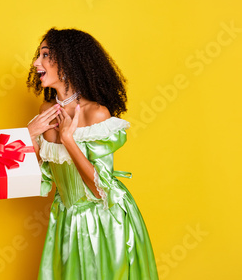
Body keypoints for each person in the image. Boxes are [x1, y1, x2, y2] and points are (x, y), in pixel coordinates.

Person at [27, 28, 158, 279]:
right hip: (65, 217)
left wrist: (68, 140)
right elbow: (41, 177)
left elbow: (101, 190)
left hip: (102, 220)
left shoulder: (96, 113)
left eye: (45, 55)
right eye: (38, 55)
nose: (36, 62)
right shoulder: (45, 111)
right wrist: (30, 138)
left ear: (66, 63)